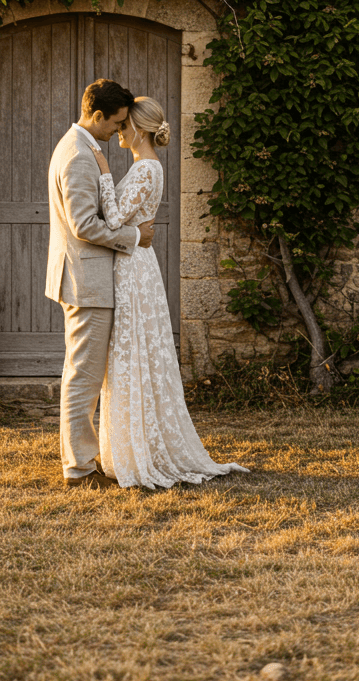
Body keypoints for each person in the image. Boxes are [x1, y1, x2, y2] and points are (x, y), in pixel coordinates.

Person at [94, 96, 250, 489]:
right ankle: (128, 446)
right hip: (132, 261)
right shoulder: (143, 166)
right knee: (129, 353)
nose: (119, 133)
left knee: (132, 351)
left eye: (125, 126)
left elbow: (113, 218)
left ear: (140, 129)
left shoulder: (146, 169)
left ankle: (142, 451)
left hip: (133, 269)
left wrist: (101, 172)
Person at [45, 80, 156, 489]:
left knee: (86, 374)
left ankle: (84, 460)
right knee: (84, 377)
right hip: (85, 280)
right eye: (116, 122)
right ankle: (78, 468)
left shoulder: (82, 149)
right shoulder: (77, 155)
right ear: (96, 117)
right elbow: (83, 224)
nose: (119, 131)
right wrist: (135, 238)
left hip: (88, 277)